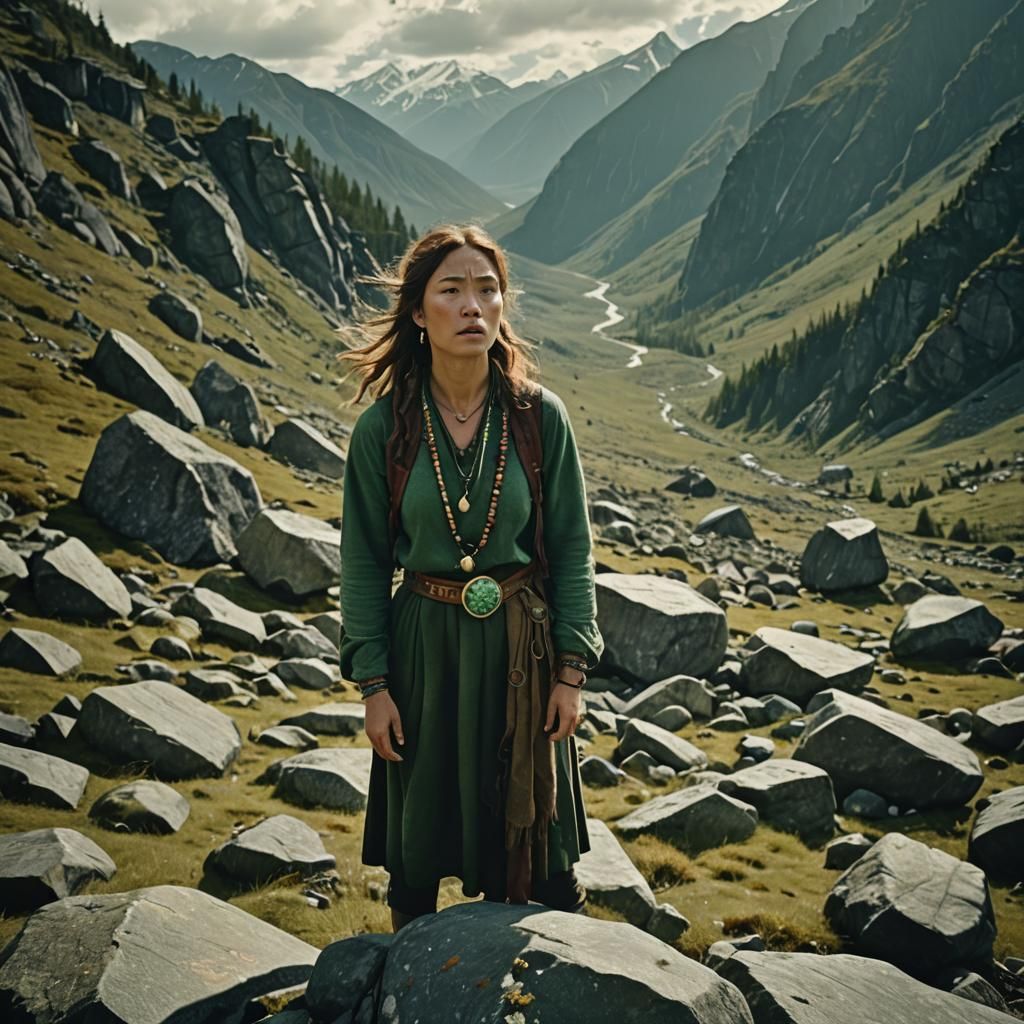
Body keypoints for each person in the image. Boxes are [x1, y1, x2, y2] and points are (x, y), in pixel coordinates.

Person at [338, 223, 603, 932]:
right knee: (415, 863)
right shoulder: (384, 429)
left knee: (546, 857)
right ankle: (404, 994)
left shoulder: (539, 418)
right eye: (451, 291)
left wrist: (572, 672)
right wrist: (374, 685)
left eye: (487, 290)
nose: (472, 307)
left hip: (525, 649)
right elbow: (363, 561)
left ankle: (561, 989)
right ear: (419, 312)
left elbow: (573, 548)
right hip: (424, 653)